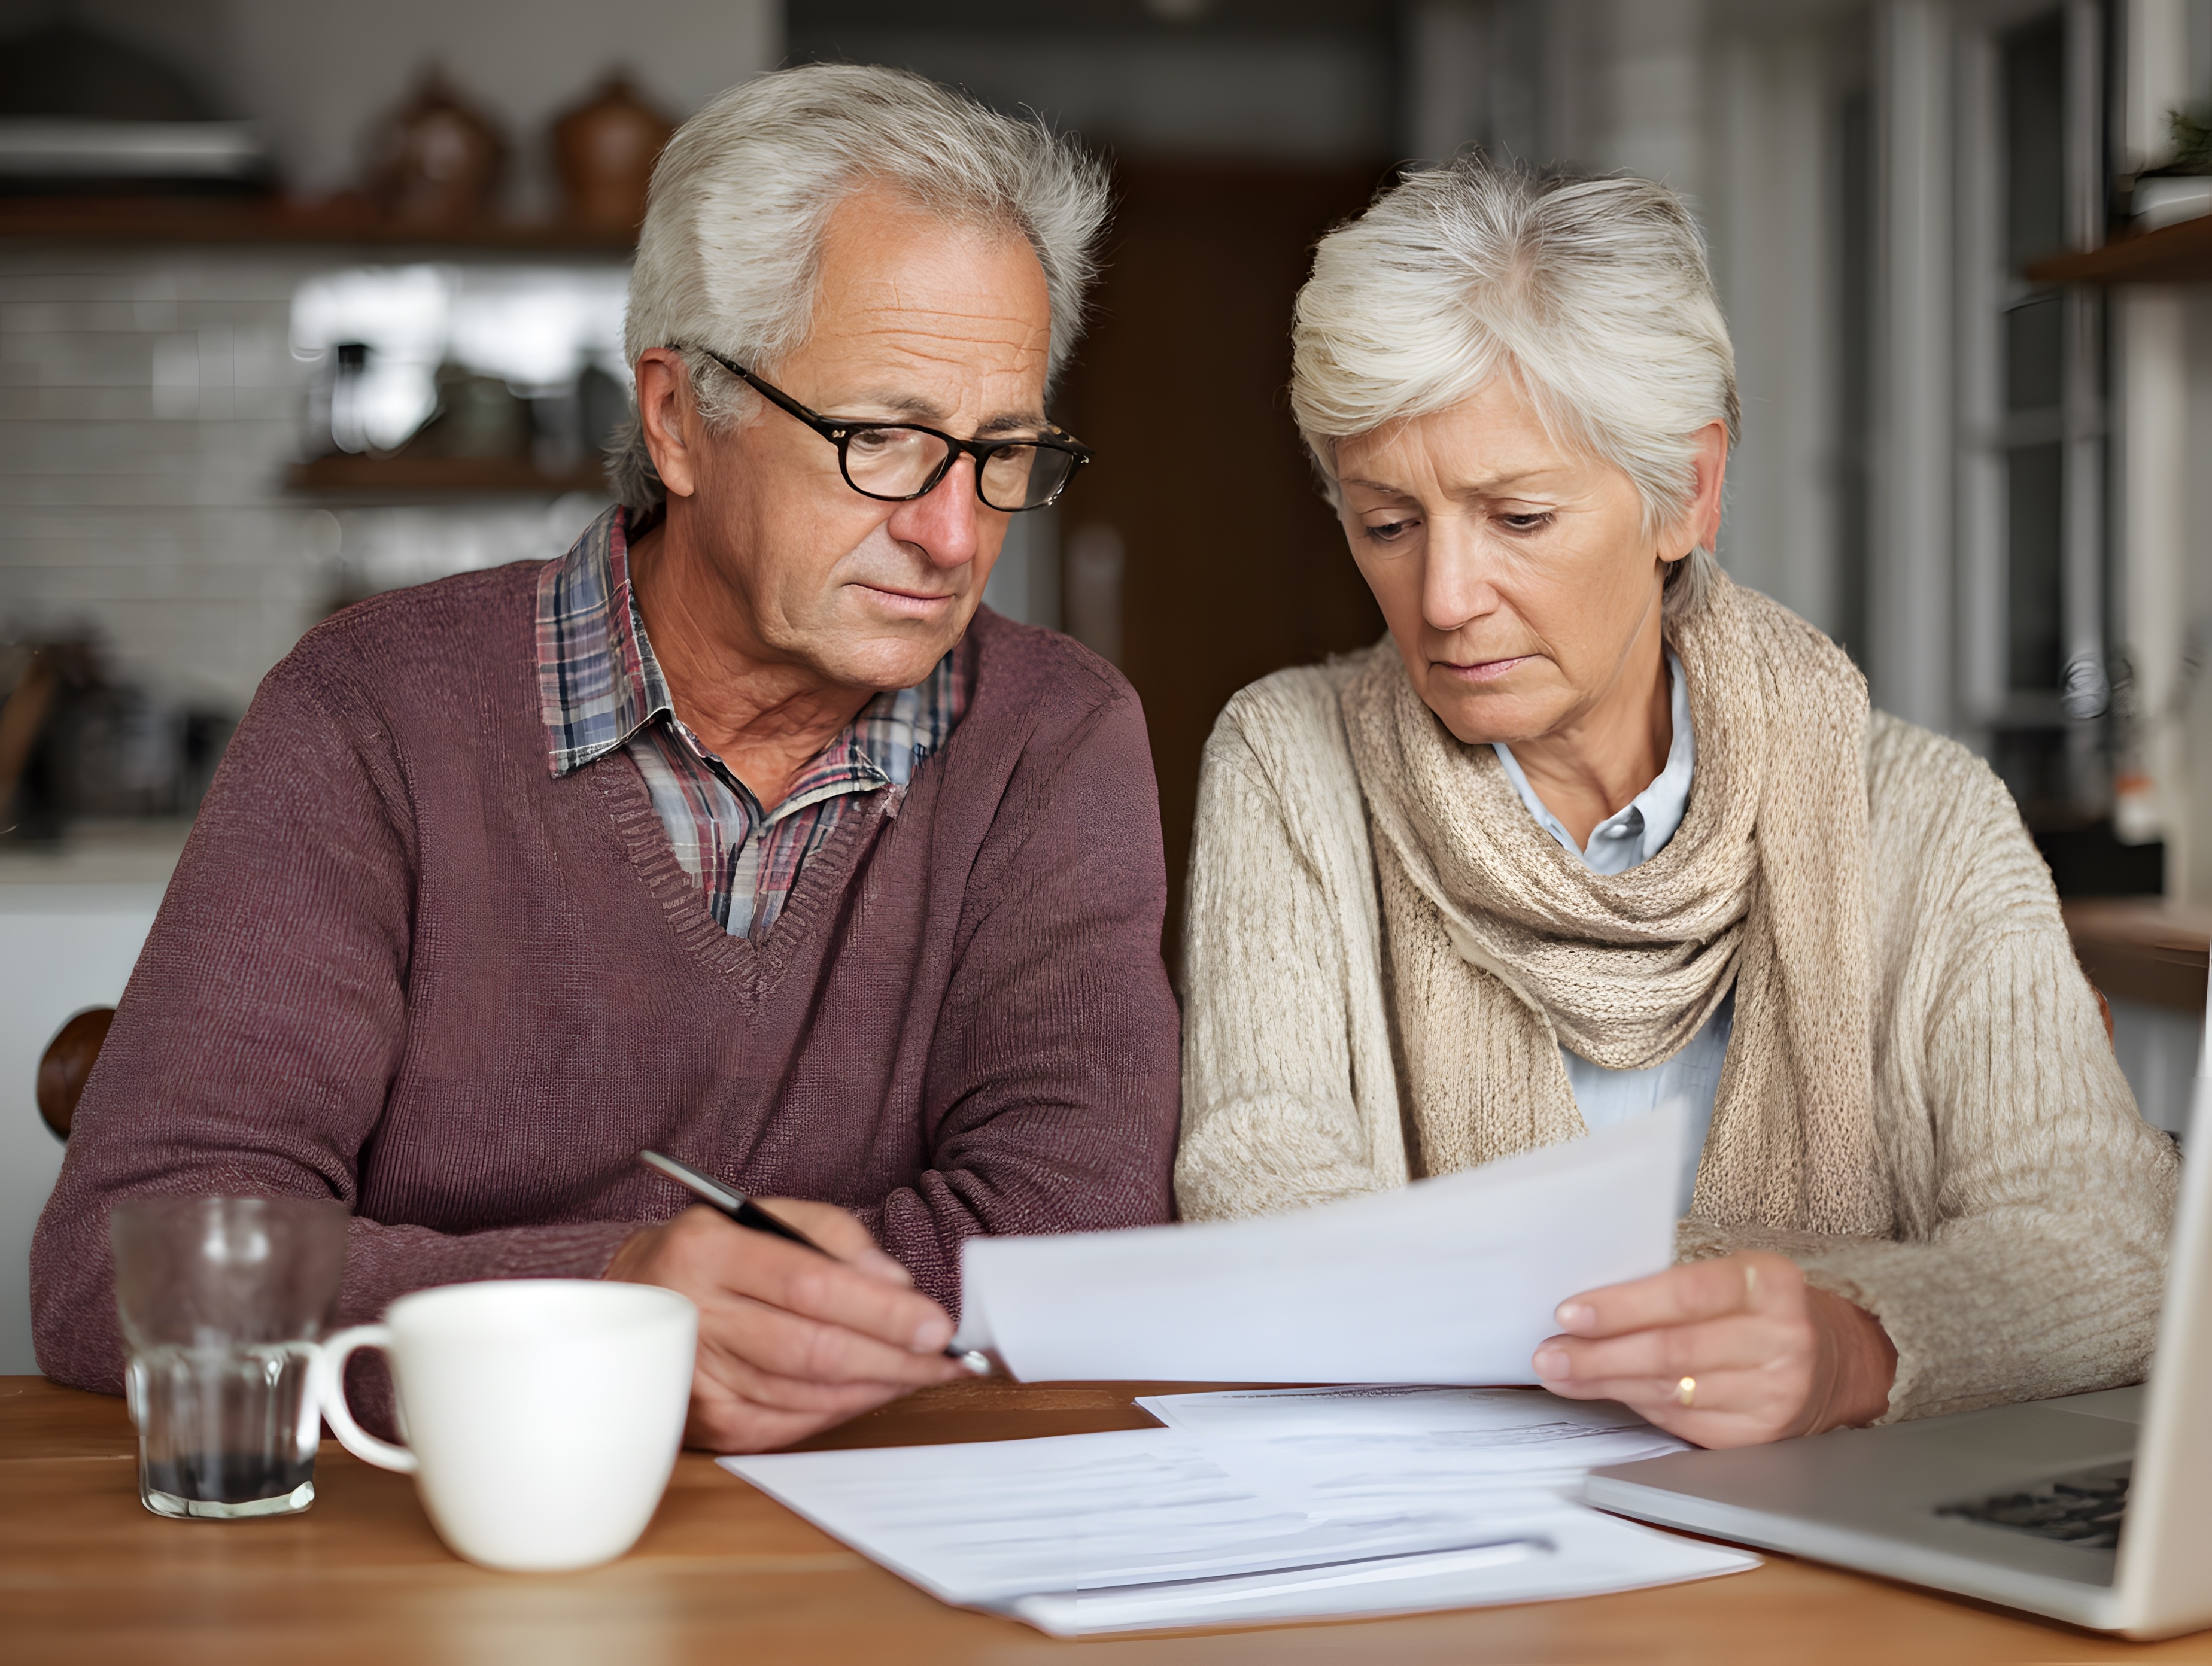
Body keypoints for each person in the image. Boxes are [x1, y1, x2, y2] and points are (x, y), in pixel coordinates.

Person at [34, 65, 1181, 1454]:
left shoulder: (1052, 737)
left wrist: (642, 1306)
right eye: (882, 441)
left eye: (1002, 451)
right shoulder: (369, 714)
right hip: (433, 1546)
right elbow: (125, 1265)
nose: (954, 535)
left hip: (889, 1552)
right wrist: (616, 1306)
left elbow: (1076, 1244)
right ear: (679, 419)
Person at [1175, 157, 2177, 1449]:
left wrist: (1852, 1344)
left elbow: (2105, 1250)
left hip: (1832, 1541)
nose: (1443, 598)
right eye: (1387, 524)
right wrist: (1722, 1291)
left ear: (1686, 495)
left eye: (1518, 516)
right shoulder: (1287, 760)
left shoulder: (1923, 814)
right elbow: (1263, 1205)